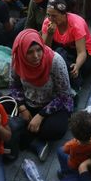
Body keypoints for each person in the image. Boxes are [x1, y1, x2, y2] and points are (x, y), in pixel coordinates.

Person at [9, 29, 74, 161]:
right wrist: (22, 108)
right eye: (30, 52)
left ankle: (26, 137)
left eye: (39, 50)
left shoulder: (55, 61)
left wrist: (40, 116)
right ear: (22, 52)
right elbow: (14, 86)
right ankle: (34, 141)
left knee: (55, 130)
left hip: (53, 105)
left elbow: (64, 95)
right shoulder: (17, 60)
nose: (36, 56)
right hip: (27, 102)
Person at [42, 0, 91, 88]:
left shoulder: (76, 24)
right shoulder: (47, 22)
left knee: (84, 67)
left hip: (85, 50)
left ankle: (67, 70)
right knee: (52, 57)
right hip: (64, 47)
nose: (50, 18)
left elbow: (82, 52)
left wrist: (77, 66)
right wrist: (50, 34)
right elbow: (45, 49)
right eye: (48, 15)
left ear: (64, 14)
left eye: (54, 16)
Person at [58, 110, 91, 175]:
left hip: (75, 165)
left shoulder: (72, 144)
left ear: (74, 134)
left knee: (60, 151)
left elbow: (65, 150)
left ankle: (64, 172)